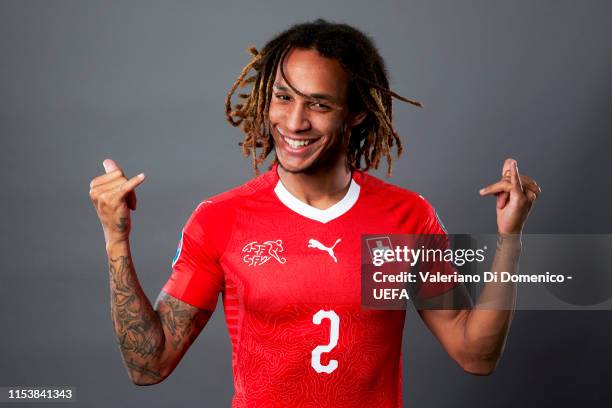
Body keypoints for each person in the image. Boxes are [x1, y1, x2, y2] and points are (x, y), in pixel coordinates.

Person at [89, 19, 540, 407]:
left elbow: (474, 354)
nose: (295, 121)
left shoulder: (405, 218)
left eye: (319, 104)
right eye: (283, 97)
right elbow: (149, 365)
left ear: (358, 113)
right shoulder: (221, 220)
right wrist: (115, 238)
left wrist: (511, 238)